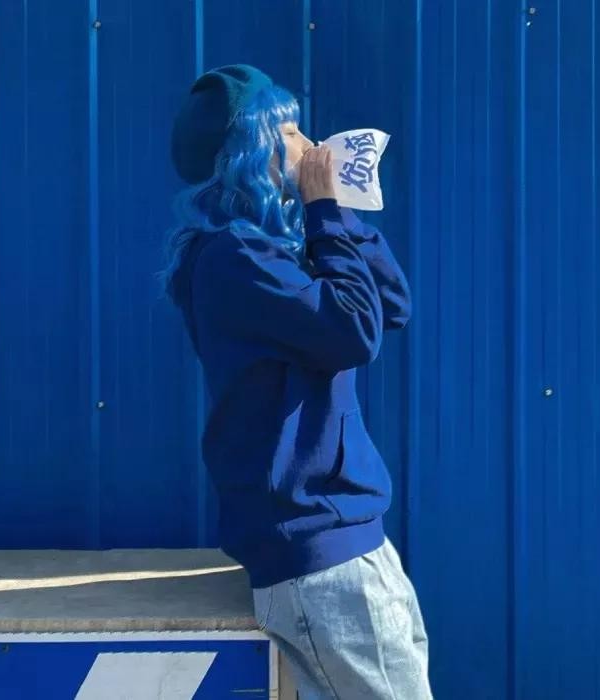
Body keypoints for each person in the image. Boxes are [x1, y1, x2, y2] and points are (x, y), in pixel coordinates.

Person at [158, 63, 434, 699]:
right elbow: (354, 331)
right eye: (288, 130)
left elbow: (391, 305)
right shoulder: (235, 258)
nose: (310, 145)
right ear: (248, 150)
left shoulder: (266, 250)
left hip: (344, 542)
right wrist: (323, 211)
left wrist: (339, 216)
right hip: (322, 553)